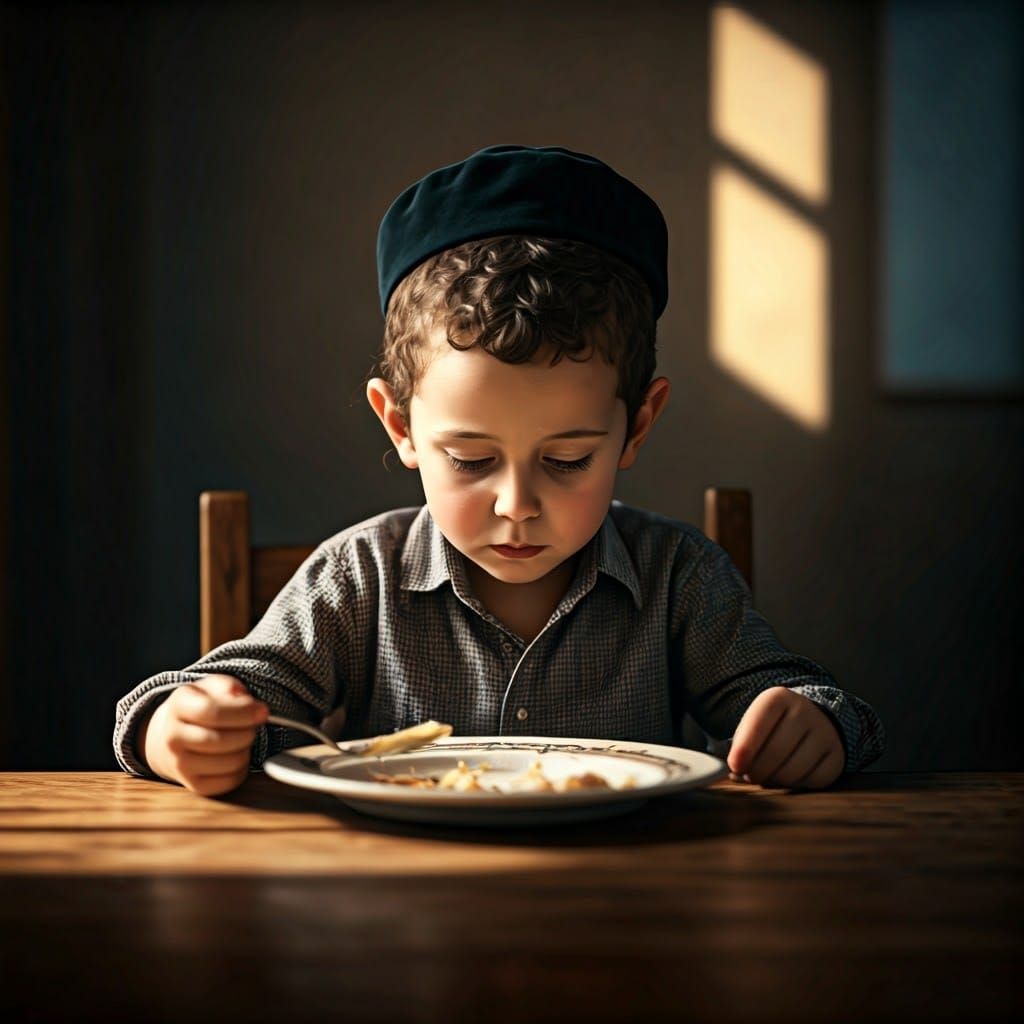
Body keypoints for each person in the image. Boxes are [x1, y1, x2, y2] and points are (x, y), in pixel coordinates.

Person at [113, 144, 886, 797]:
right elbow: (210, 698)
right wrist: (175, 729)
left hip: (633, 909)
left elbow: (806, 700)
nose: (518, 504)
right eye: (472, 459)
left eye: (567, 460)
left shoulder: (678, 579)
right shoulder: (358, 579)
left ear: (637, 426)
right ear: (400, 424)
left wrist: (816, 725)